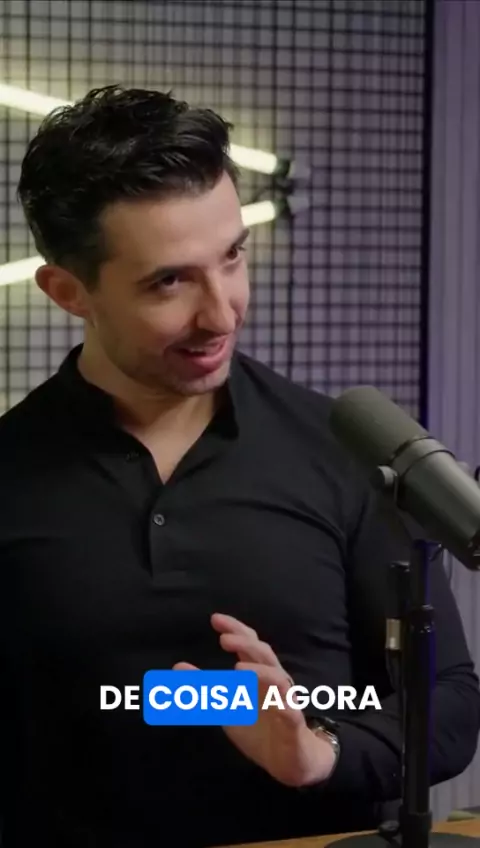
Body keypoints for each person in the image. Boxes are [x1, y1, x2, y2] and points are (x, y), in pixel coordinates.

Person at [0, 84, 478, 848]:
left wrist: (318, 751)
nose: (222, 313)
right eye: (169, 281)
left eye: (232, 257)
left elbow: (448, 700)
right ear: (68, 291)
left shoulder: (347, 452)